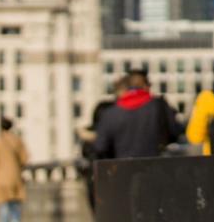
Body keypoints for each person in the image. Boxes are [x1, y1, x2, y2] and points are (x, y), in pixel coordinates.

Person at [93, 71, 183, 160]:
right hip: (156, 168)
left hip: (122, 170)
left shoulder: (110, 113)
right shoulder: (159, 106)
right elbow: (175, 132)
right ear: (145, 86)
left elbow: (100, 148)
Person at [77, 76, 129, 211]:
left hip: (98, 184)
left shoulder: (92, 135)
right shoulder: (117, 121)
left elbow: (89, 154)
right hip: (118, 181)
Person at [0, 118, 29, 222]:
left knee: (4, 207)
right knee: (15, 207)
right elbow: (25, 158)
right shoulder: (16, 140)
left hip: (1, 178)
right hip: (15, 176)